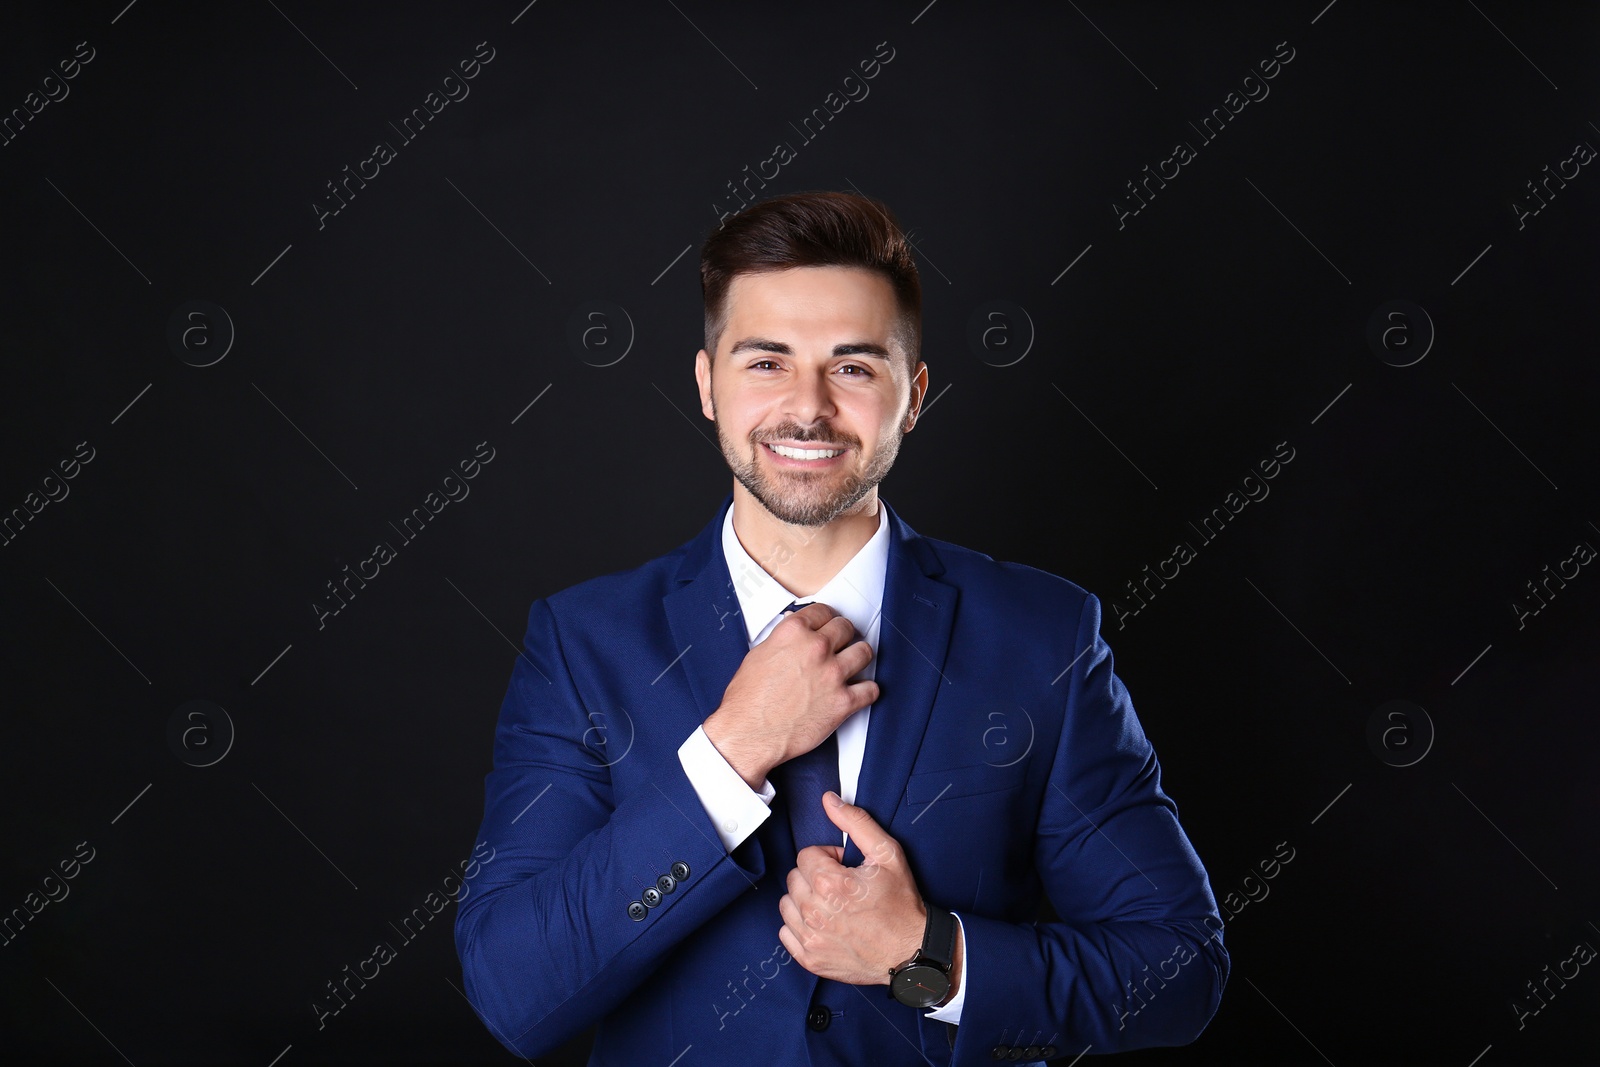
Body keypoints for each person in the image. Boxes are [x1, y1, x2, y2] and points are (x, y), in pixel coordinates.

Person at [454, 191, 1228, 1065]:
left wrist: (929, 954)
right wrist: (730, 751)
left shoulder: (1045, 635)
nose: (809, 407)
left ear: (914, 395)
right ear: (707, 385)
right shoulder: (582, 642)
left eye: (853, 367)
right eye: (766, 362)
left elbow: (1181, 969)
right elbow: (513, 991)